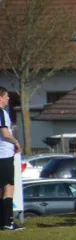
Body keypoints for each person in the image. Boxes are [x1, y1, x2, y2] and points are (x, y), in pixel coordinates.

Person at [0, 88, 23, 231]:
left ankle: (3, 221)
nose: (8, 99)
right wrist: (16, 142)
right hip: (4, 154)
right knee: (9, 187)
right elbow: (5, 133)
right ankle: (9, 221)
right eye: (6, 96)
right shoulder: (1, 112)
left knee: (2, 189)